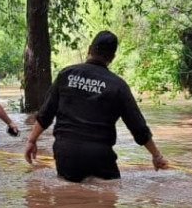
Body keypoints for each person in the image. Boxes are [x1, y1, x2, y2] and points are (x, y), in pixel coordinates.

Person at [24, 31, 169, 181]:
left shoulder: (66, 75)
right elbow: (138, 127)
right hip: (99, 156)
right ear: (112, 58)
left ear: (89, 49)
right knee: (108, 195)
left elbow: (45, 114)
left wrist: (31, 141)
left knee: (66, 194)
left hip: (66, 153)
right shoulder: (118, 85)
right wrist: (156, 155)